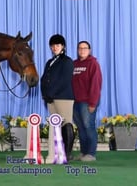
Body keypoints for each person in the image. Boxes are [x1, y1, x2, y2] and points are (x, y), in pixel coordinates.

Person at [40, 34, 74, 163]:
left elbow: (64, 81)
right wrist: (44, 93)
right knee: (55, 125)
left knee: (66, 123)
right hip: (51, 98)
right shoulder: (49, 62)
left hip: (63, 97)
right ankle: (57, 152)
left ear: (63, 47)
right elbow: (44, 79)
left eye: (57, 45)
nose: (55, 47)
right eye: (53, 45)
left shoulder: (67, 61)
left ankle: (67, 153)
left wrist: (51, 93)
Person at [72, 41, 102, 162]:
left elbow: (96, 85)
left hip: (87, 102)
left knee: (89, 127)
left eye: (85, 48)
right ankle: (83, 152)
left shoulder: (93, 64)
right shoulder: (74, 64)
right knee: (81, 128)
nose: (82, 50)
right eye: (80, 48)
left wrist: (93, 103)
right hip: (75, 102)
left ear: (89, 50)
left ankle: (91, 153)